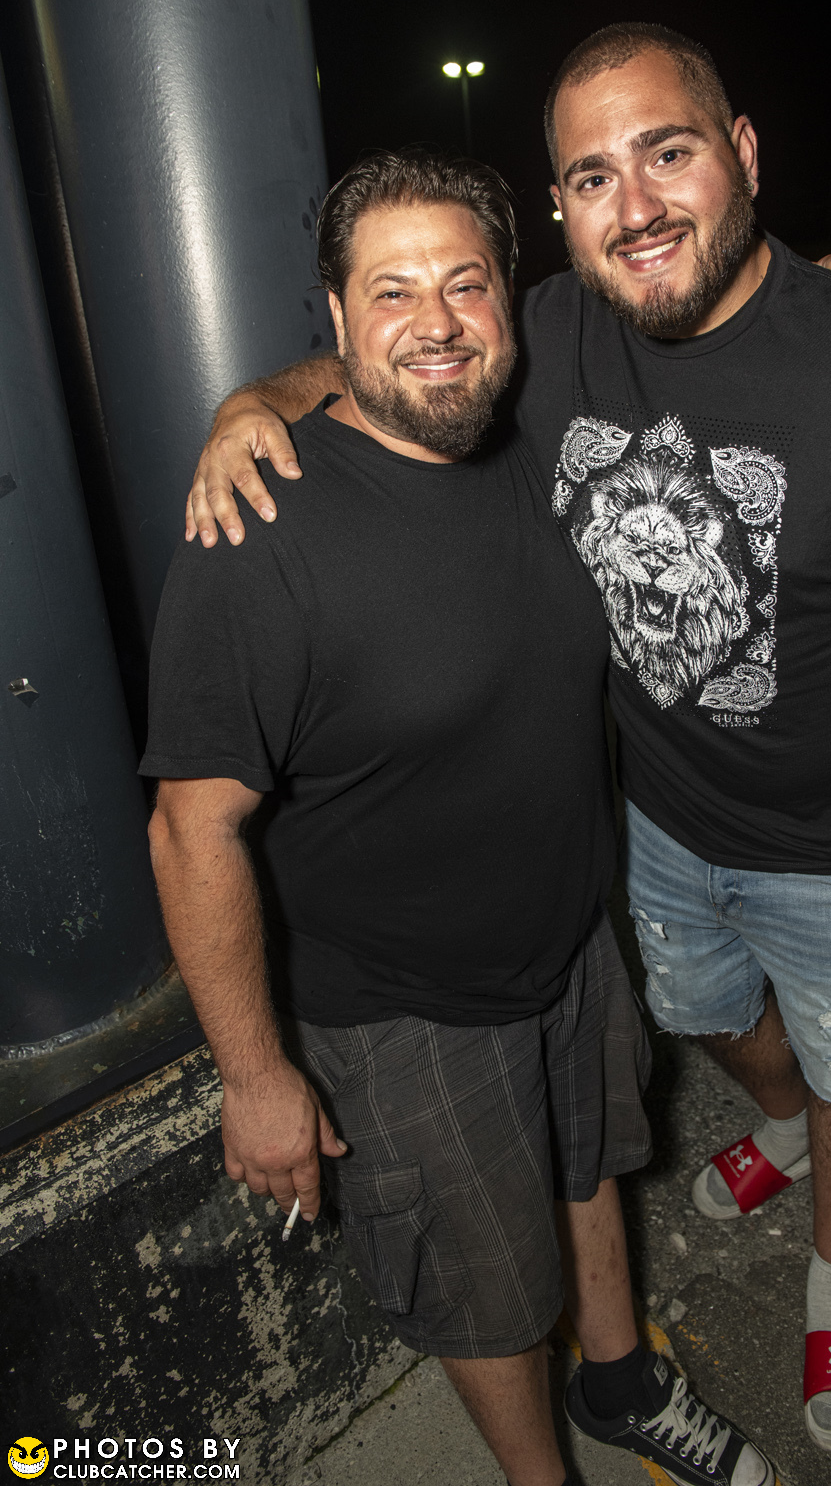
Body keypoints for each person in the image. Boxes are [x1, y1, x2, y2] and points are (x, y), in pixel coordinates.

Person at [184, 25, 831, 1456]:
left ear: (744, 155)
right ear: (560, 209)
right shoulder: (551, 332)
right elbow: (396, 353)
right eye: (594, 177)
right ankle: (781, 1126)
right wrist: (245, 409)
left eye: (670, 152)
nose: (638, 205)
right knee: (709, 1023)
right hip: (654, 828)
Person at [142, 149, 776, 1486]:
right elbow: (190, 831)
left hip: (571, 945)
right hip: (406, 1012)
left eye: (464, 284)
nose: (435, 322)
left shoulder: (528, 436)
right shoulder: (259, 532)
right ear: (336, 314)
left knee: (589, 1170)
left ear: (506, 298)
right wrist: (256, 1077)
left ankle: (622, 1383)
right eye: (391, 292)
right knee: (489, 1289)